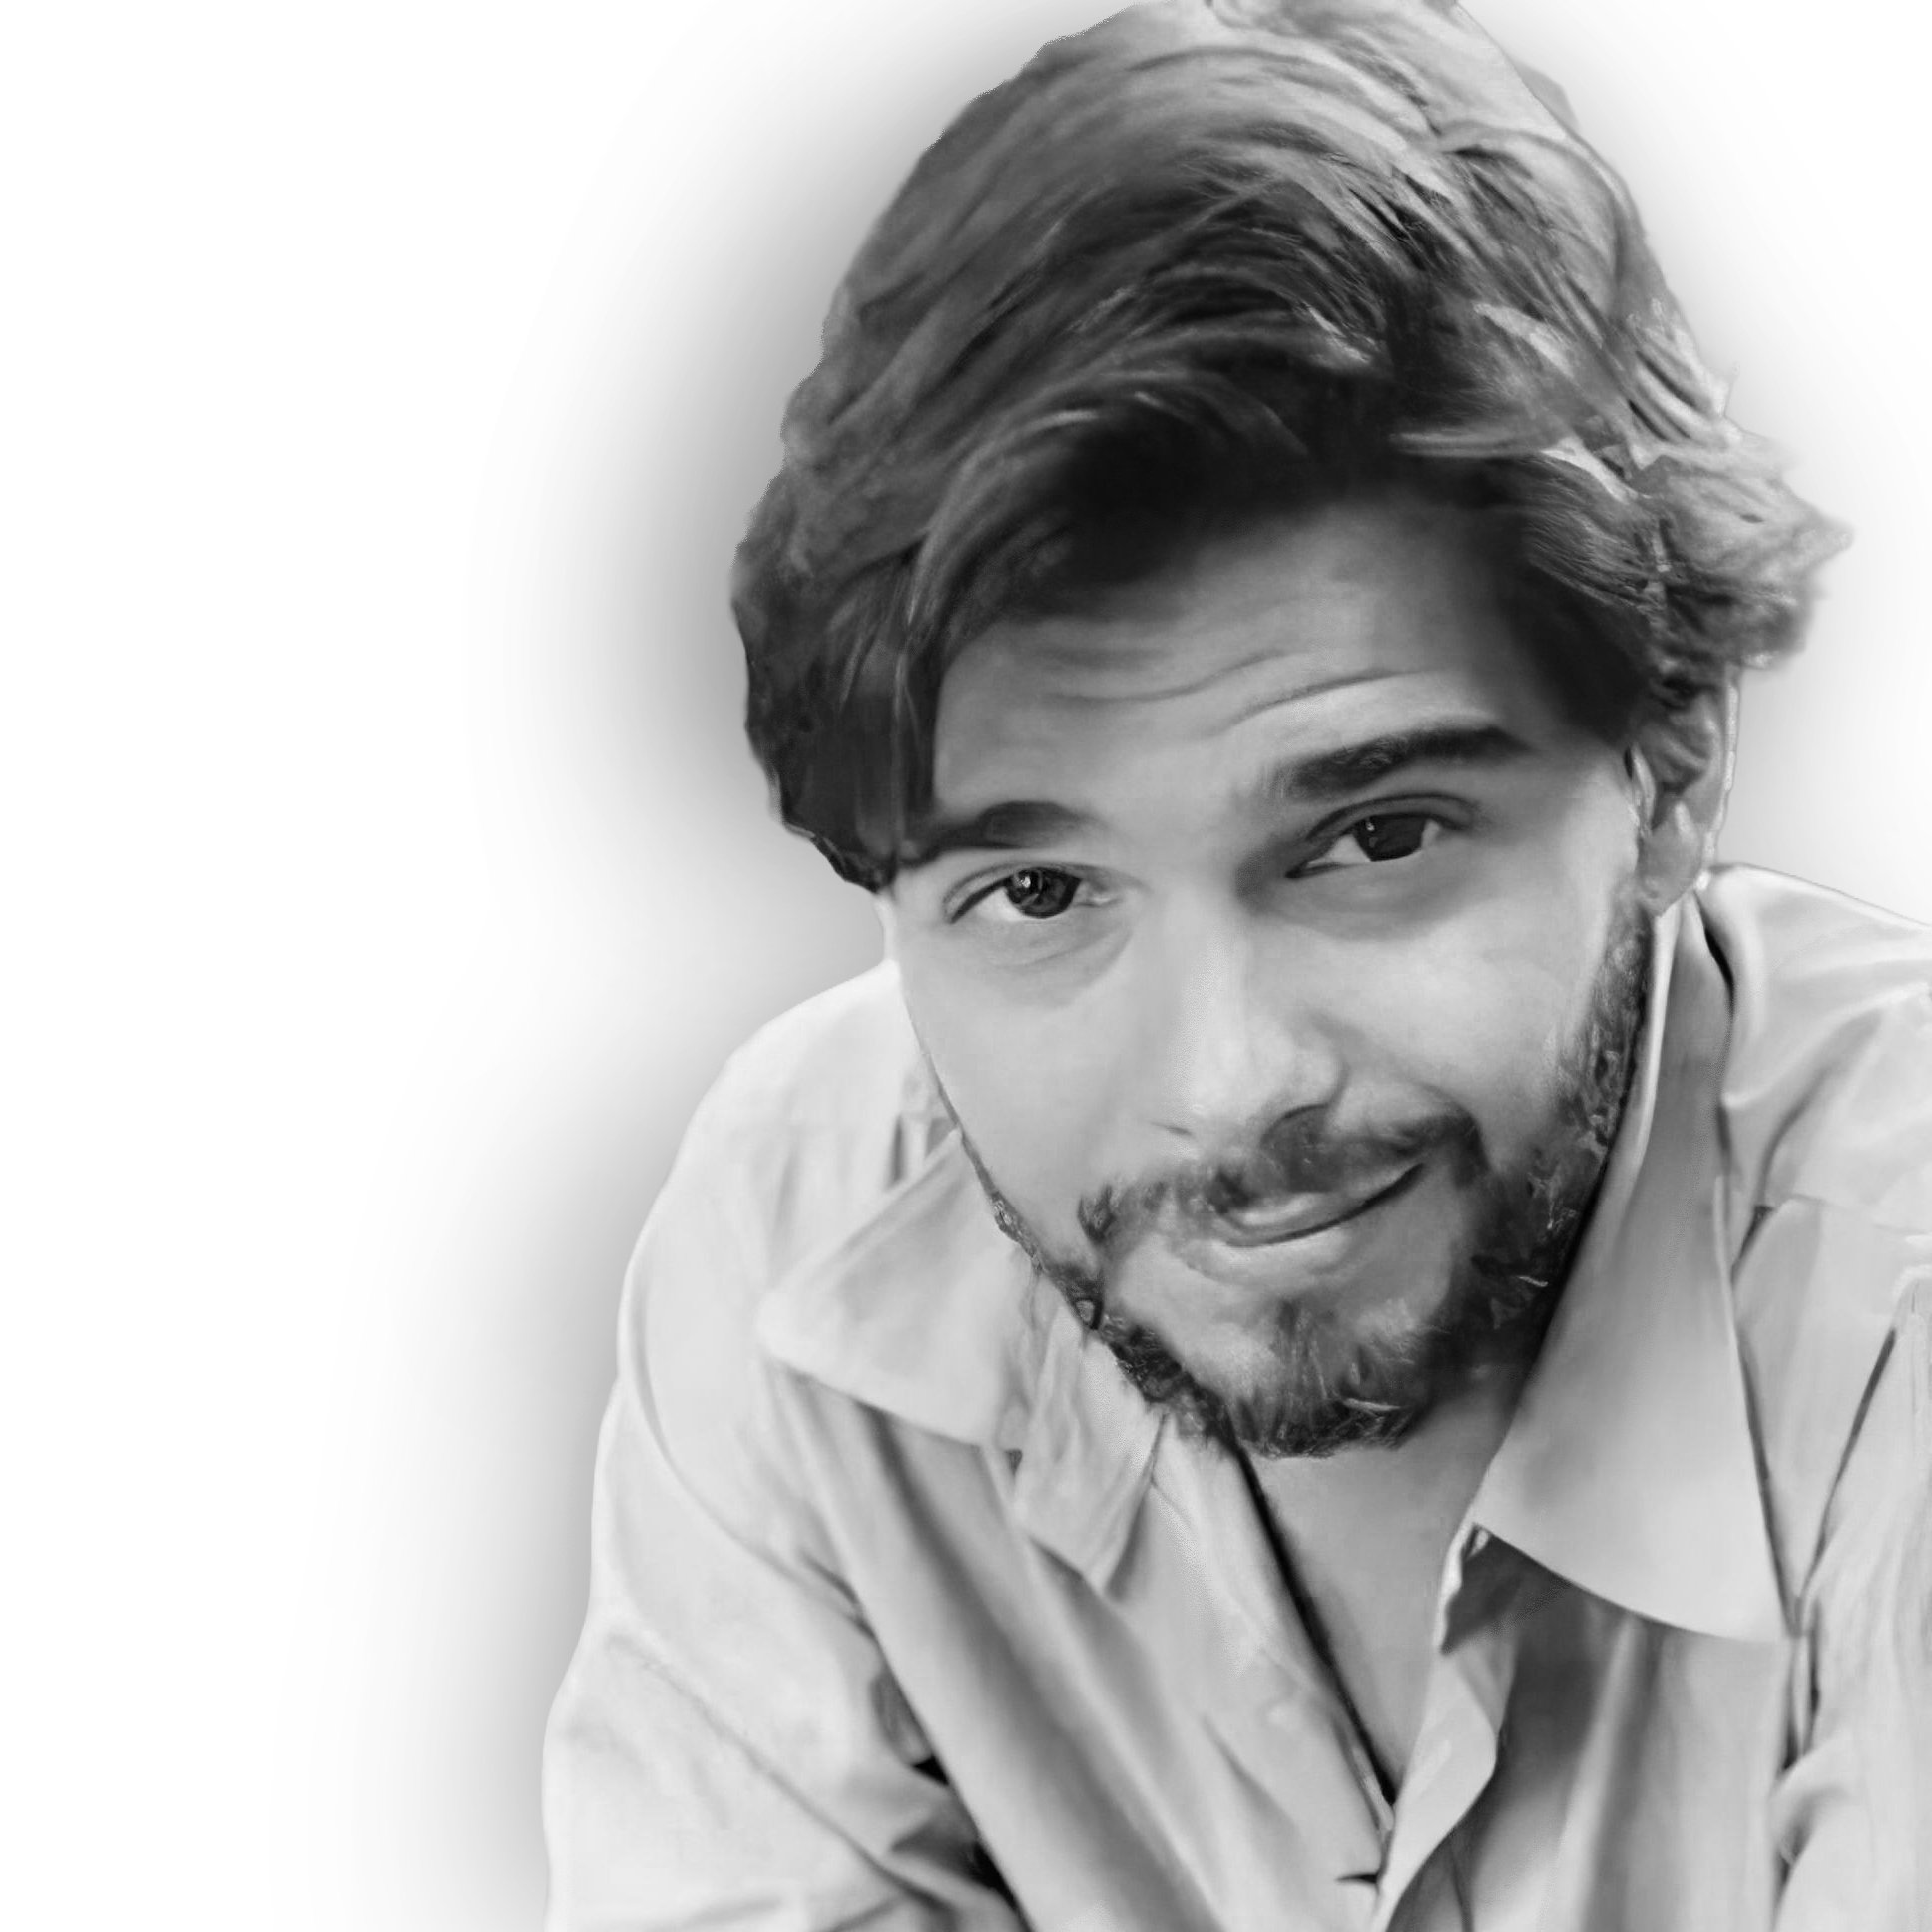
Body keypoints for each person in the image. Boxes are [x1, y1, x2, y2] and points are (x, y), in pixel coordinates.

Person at [541, 1, 1932, 1925]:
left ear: (1674, 764)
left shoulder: (1898, 1314)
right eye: (1039, 897)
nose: (1226, 1085)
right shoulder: (803, 1245)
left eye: (1373, 842)